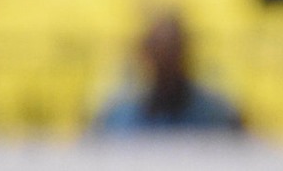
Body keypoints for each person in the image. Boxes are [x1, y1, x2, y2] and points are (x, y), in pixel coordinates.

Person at [91, 11, 243, 136]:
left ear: (185, 53)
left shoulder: (215, 114)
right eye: (159, 51)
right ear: (146, 55)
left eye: (172, 50)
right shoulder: (120, 116)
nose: (166, 60)